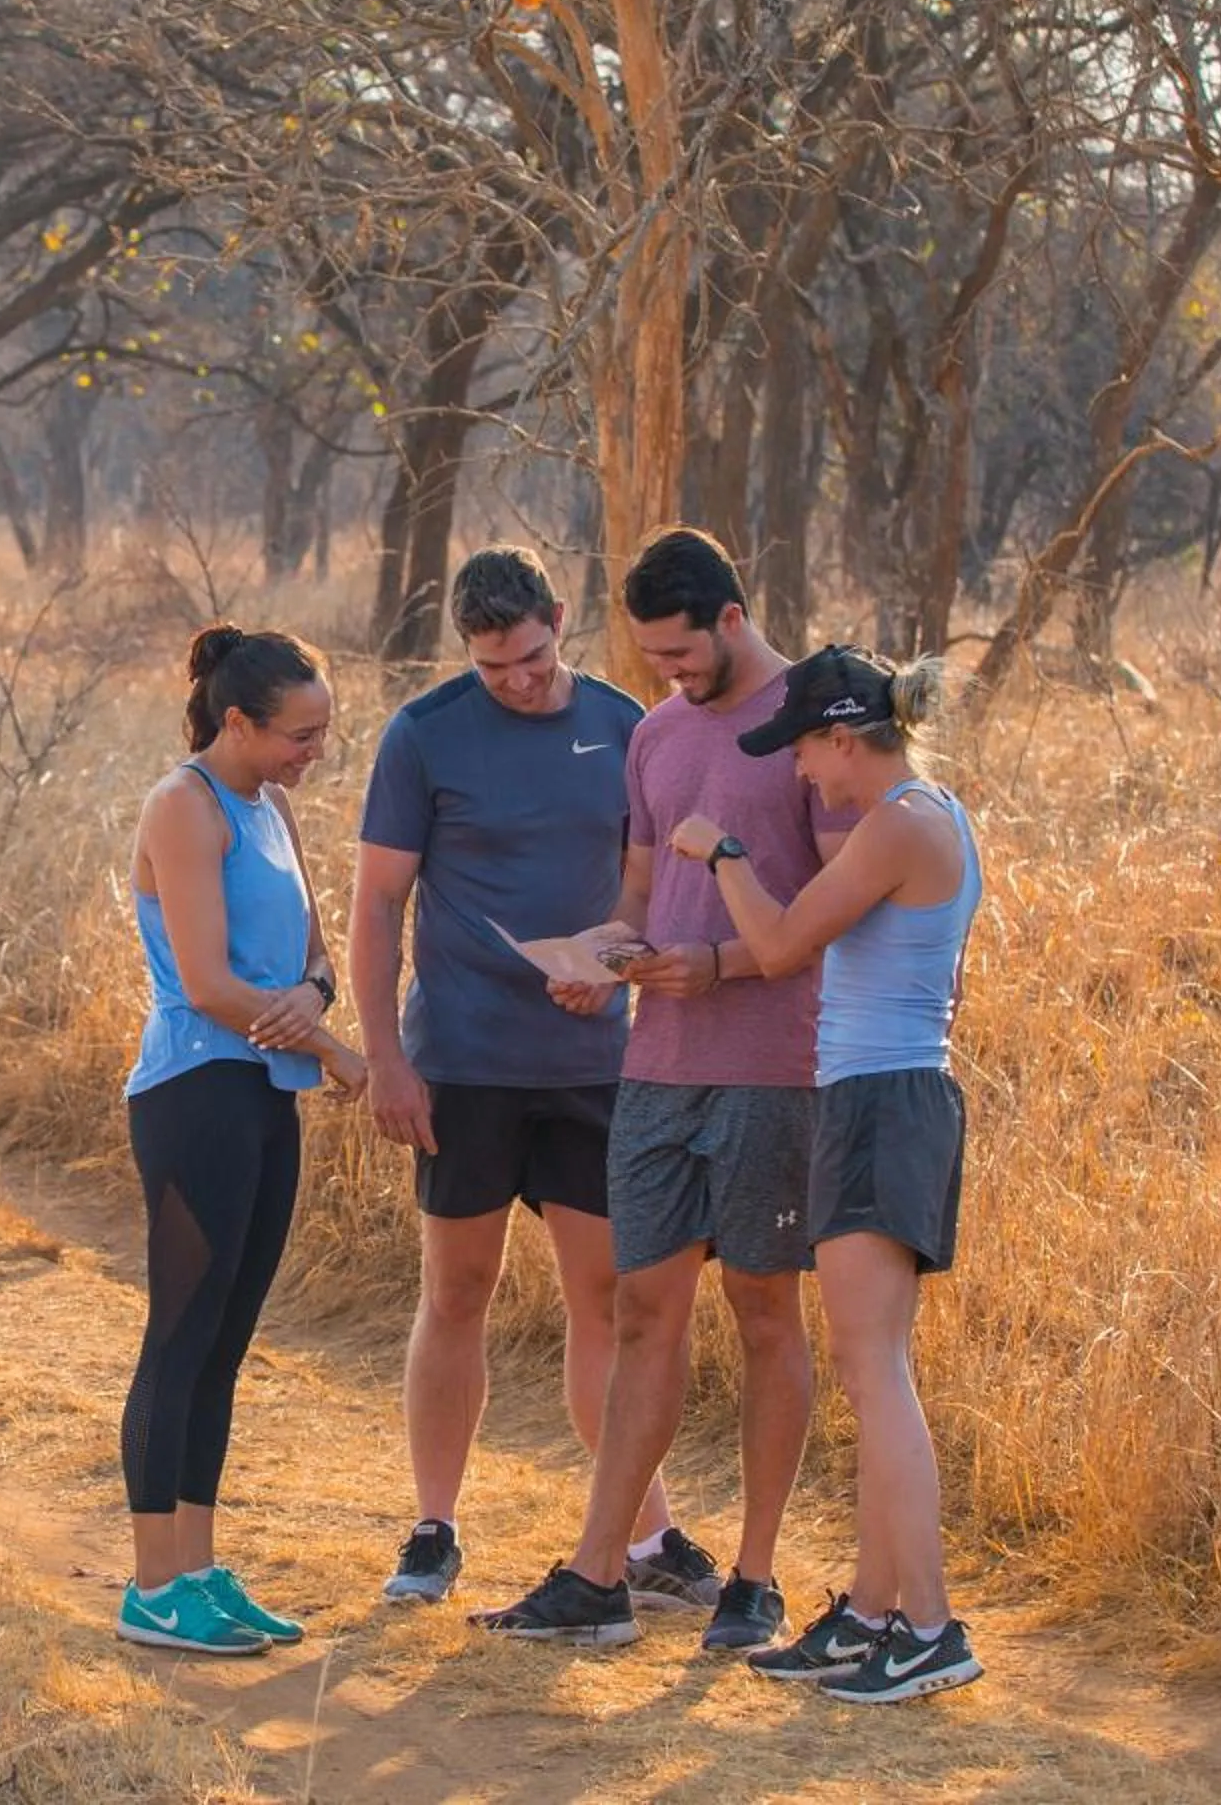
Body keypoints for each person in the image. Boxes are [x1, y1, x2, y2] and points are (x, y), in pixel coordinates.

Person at [470, 528, 854, 1651]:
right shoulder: (656, 735)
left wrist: (724, 966)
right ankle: (599, 1575)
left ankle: (756, 1578)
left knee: (767, 1311)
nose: (669, 678)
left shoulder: (813, 721)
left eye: (683, 654)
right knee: (642, 1314)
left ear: (734, 618)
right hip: (657, 1068)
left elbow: (844, 913)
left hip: (772, 1067)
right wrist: (603, 960)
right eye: (650, 658)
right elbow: (642, 889)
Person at [350, 546, 693, 1608]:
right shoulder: (425, 734)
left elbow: (647, 885)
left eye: (534, 658)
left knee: (608, 1299)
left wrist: (613, 962)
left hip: (593, 1061)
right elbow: (377, 907)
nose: (520, 681)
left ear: (560, 617)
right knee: (458, 1290)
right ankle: (434, 1526)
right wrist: (387, 1061)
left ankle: (644, 1539)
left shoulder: (625, 727)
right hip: (462, 1062)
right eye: (496, 668)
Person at [667, 644, 986, 1703]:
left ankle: (930, 1627)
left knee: (874, 1373)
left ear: (846, 735)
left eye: (805, 748)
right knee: (874, 1366)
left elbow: (783, 942)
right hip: (896, 1096)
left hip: (879, 1101)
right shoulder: (934, 814)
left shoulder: (898, 819)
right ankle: (869, 1611)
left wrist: (722, 854)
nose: (803, 772)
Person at [114, 624, 367, 1656]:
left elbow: (314, 959)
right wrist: (341, 1051)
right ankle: (149, 1587)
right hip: (194, 1091)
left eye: (321, 733)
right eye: (300, 736)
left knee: (225, 1338)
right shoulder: (183, 805)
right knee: (178, 1333)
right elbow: (212, 986)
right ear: (237, 722)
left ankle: (201, 1571)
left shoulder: (272, 812)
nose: (314, 753)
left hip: (266, 1088)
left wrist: (308, 1003)